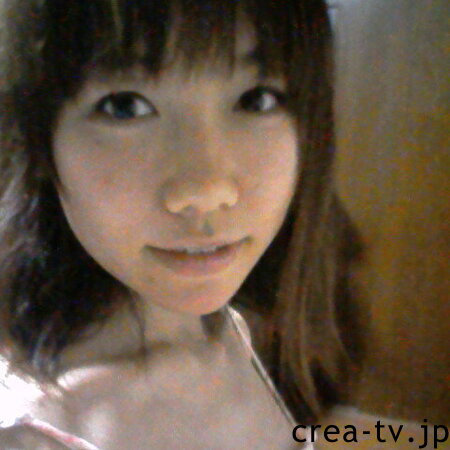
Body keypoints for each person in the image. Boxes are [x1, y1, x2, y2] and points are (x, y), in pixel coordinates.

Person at [0, 0, 361, 448]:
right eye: (124, 106)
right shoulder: (35, 434)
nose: (206, 190)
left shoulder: (251, 331)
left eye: (257, 99)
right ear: (37, 140)